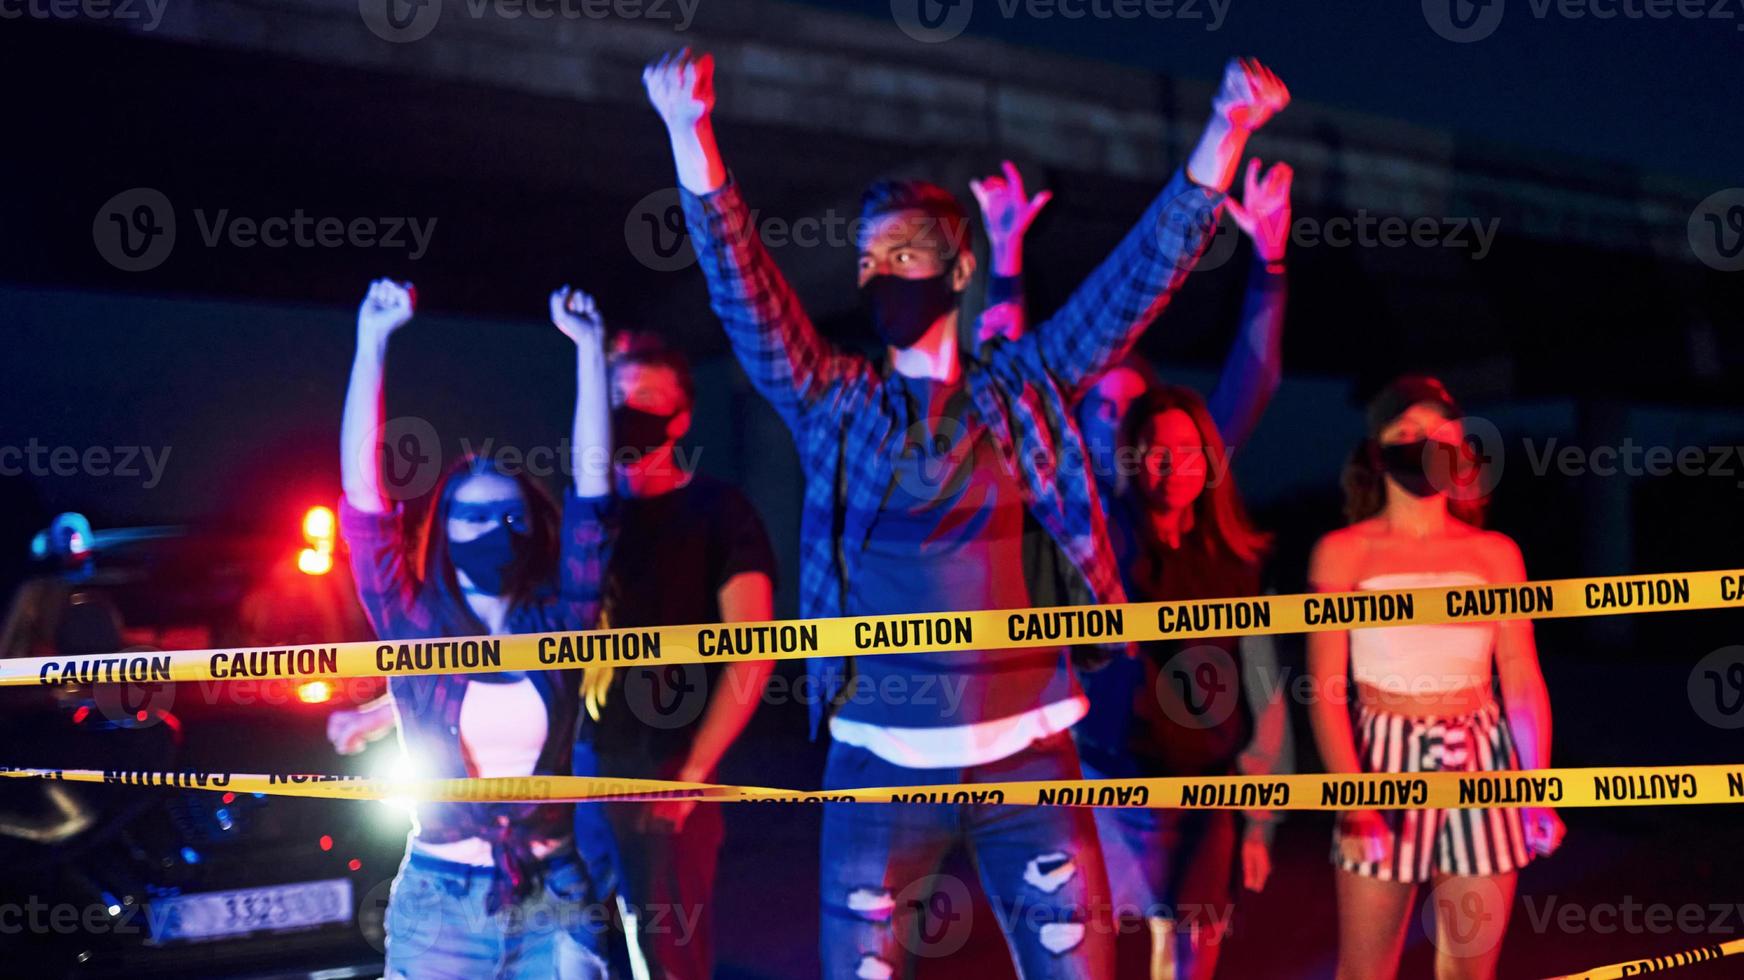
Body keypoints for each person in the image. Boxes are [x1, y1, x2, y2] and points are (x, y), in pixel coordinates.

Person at [643, 47, 1288, 978]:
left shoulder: (1028, 388)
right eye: (868, 260)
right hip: (877, 771)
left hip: (1032, 764)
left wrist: (1226, 128)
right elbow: (745, 293)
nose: (880, 274)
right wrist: (689, 130)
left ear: (957, 270)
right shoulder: (837, 403)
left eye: (902, 252)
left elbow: (1135, 283)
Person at [325, 279, 621, 979]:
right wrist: (370, 343)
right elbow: (365, 504)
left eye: (508, 516)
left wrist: (589, 352)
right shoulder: (414, 623)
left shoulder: (561, 620)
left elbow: (595, 496)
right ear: (443, 530)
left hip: (556, 896)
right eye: (472, 516)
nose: (491, 531)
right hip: (440, 902)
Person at [1306, 375, 1565, 980]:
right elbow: (1324, 689)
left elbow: (1522, 678)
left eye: (1438, 432)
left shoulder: (1495, 554)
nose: (1424, 443)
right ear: (1377, 449)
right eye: (1407, 432)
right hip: (1383, 756)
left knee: (1470, 971)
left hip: (1482, 755)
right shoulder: (1343, 553)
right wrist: (1354, 800)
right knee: (1365, 970)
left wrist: (1536, 787)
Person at [559, 302, 779, 979]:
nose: (630, 413)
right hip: (579, 770)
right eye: (618, 398)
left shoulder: (719, 511)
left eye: (647, 401)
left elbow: (754, 650)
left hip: (667, 773)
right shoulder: (586, 516)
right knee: (574, 952)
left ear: (681, 417)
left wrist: (693, 773)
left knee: (667, 959)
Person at [1069, 385, 1291, 979]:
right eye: (1155, 451)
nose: (1171, 466)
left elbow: (1264, 692)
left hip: (1205, 789)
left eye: (1188, 451)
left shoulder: (1236, 561)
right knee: (1085, 953)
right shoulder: (1097, 552)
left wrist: (1262, 819)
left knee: (1190, 954)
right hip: (1108, 783)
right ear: (1130, 458)